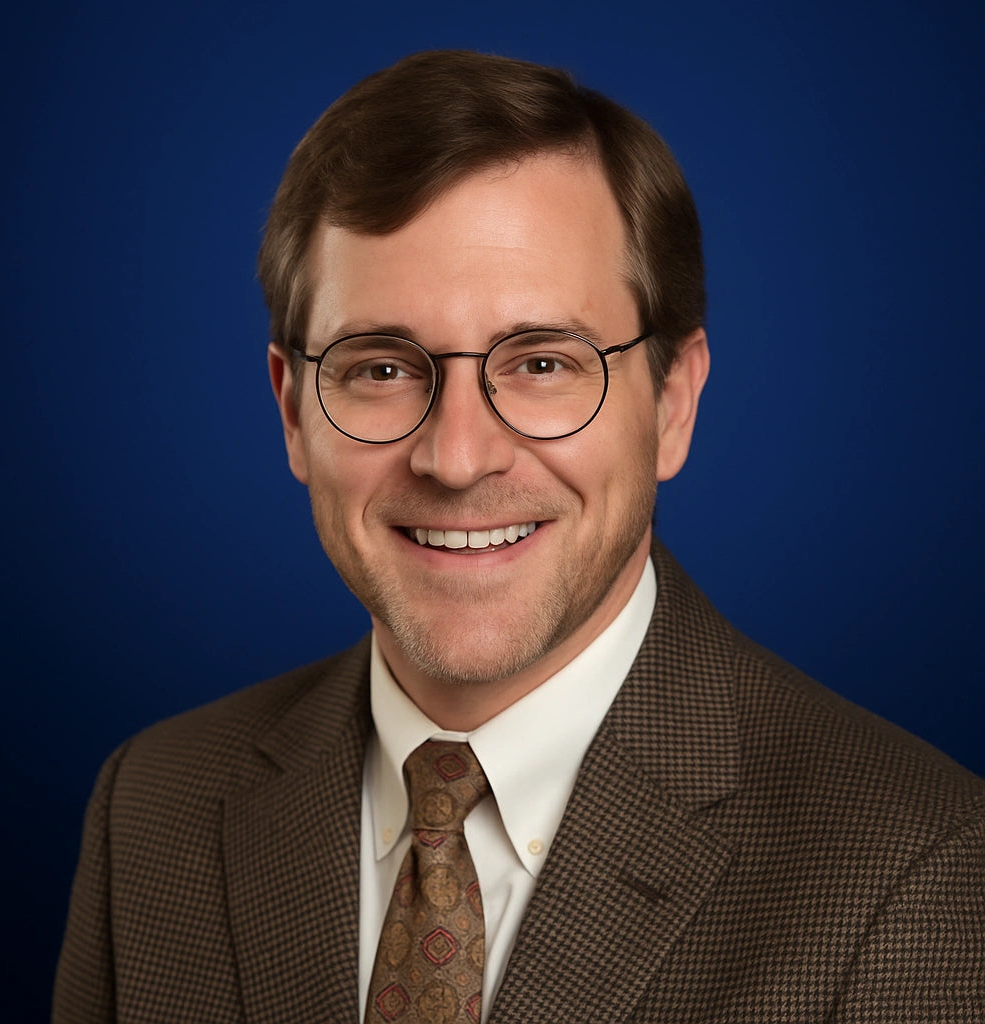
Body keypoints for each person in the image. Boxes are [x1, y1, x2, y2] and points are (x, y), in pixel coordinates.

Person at [54, 50, 985, 1023]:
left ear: (671, 402)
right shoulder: (153, 807)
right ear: (292, 412)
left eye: (542, 361)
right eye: (381, 369)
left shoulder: (915, 873)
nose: (457, 457)